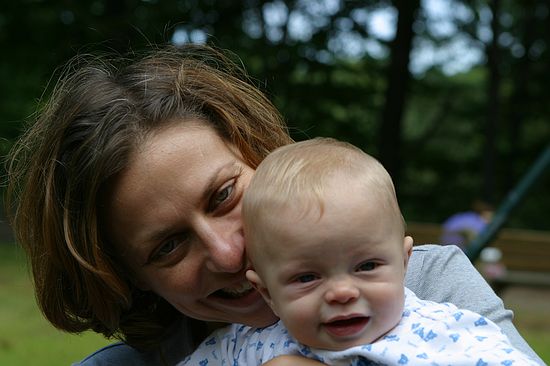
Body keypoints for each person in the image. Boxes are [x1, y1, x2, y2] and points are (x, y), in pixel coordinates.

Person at [4, 44, 543, 366]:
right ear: (127, 277)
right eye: (168, 246)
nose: (228, 252)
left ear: (262, 155)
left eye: (223, 195)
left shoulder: (429, 287)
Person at [181, 138, 539, 365]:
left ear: (404, 263)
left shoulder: (448, 333)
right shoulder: (245, 346)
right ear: (267, 292)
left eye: (366, 266)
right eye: (307, 277)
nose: (341, 292)